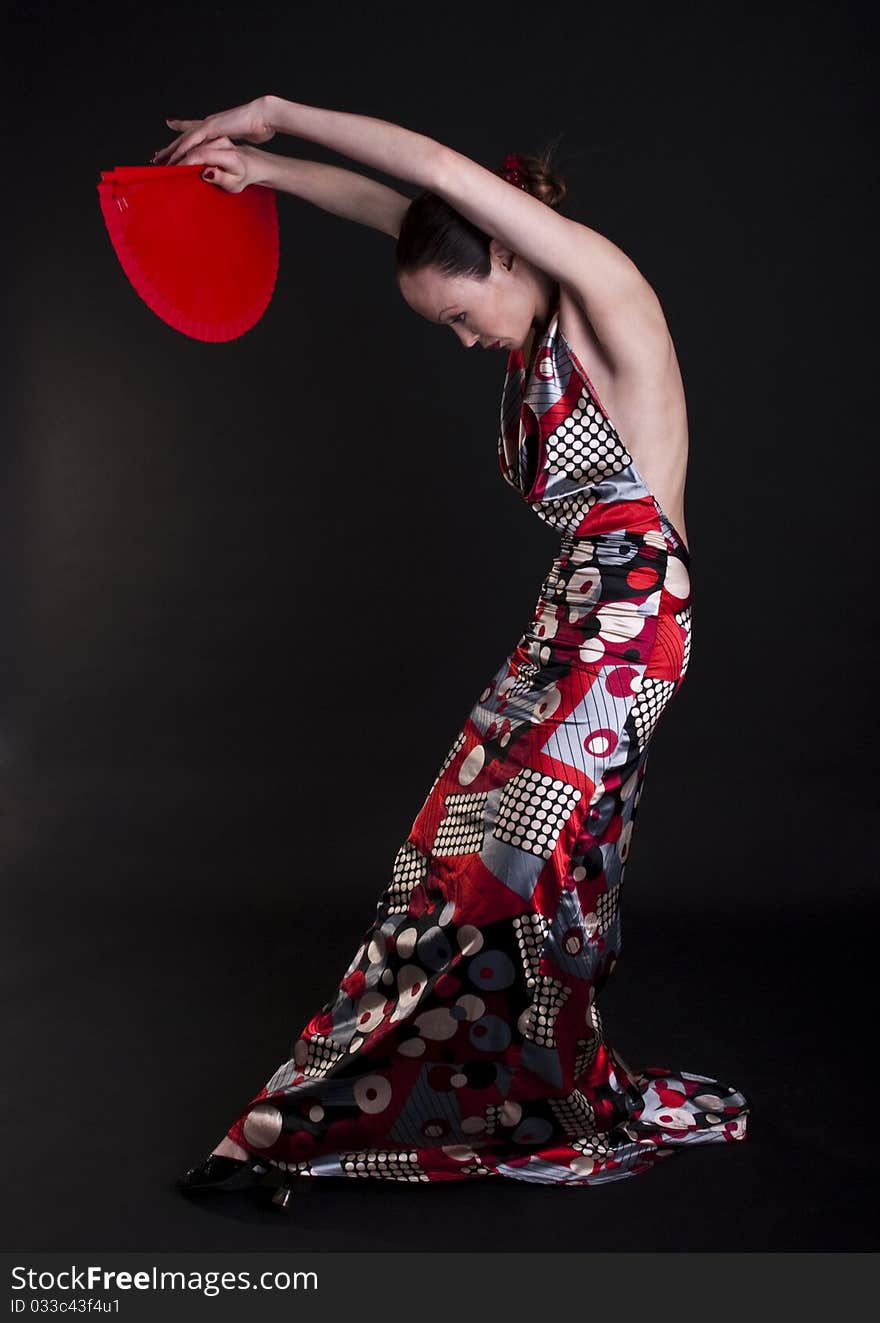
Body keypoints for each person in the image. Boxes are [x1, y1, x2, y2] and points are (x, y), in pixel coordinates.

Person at [159, 95, 749, 1206]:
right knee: (448, 862)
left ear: (513, 255)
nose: (463, 340)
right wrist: (264, 175)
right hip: (568, 612)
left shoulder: (606, 297)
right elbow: (411, 206)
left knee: (514, 875)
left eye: (459, 316)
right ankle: (396, 1098)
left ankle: (335, 1120)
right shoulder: (523, 313)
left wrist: (276, 115)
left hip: (629, 621)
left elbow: (435, 167)